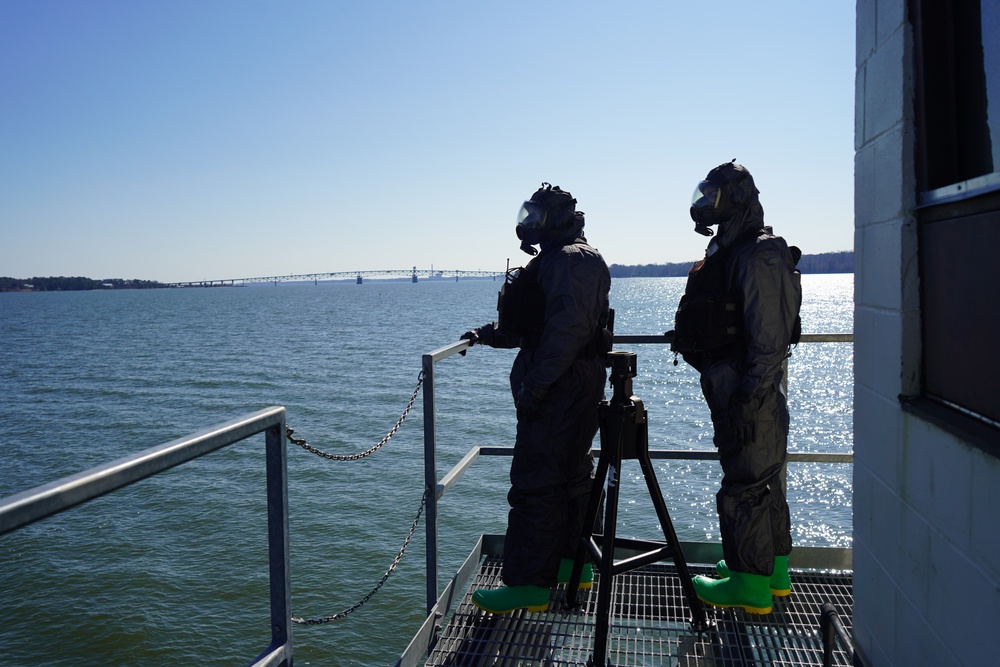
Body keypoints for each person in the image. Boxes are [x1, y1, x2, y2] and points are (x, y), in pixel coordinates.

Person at [460, 182, 612, 615]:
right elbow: (536, 323)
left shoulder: (571, 261)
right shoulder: (556, 260)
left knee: (536, 481)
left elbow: (566, 334)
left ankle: (528, 584)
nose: (528, 224)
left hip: (561, 389)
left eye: (536, 217)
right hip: (564, 384)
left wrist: (536, 387)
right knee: (567, 477)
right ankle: (569, 565)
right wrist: (487, 335)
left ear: (556, 220)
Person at [669, 161, 802, 615]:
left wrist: (748, 397)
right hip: (734, 388)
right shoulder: (731, 249)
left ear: (735, 200)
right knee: (763, 482)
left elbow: (769, 341)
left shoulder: (759, 253)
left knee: (746, 484)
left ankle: (748, 585)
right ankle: (772, 572)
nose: (704, 203)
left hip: (749, 393)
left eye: (713, 196)